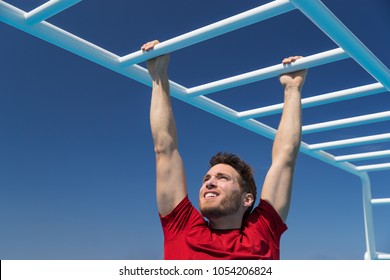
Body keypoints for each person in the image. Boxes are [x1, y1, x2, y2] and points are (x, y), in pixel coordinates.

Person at [141, 39, 307, 260]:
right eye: (207, 178)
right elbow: (165, 147)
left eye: (222, 178)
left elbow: (285, 158)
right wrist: (158, 75)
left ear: (247, 199)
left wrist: (293, 89)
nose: (208, 182)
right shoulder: (182, 227)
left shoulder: (263, 230)